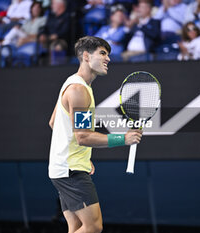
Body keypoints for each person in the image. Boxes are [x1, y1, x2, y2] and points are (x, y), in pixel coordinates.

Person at [48, 36, 142, 233]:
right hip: (70, 170)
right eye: (102, 53)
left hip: (64, 168)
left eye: (108, 54)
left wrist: (82, 157)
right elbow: (82, 137)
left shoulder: (72, 83)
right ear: (86, 56)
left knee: (77, 227)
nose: (108, 59)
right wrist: (123, 138)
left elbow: (54, 122)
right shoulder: (78, 90)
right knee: (93, 226)